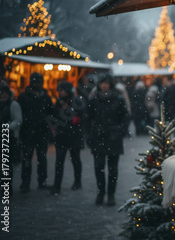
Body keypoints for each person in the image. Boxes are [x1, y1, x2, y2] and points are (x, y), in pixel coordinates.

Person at [86, 74, 129, 206]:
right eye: (102, 83)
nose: (104, 86)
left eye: (106, 83)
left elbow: (125, 117)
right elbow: (88, 118)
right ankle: (101, 192)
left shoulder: (119, 99)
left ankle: (111, 194)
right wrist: (89, 135)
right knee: (99, 167)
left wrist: (120, 130)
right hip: (98, 137)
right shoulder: (94, 100)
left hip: (113, 137)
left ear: (110, 84)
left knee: (113, 169)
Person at [17, 72, 53, 192]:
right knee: (28, 158)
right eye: (36, 82)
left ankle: (41, 181)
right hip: (28, 131)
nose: (38, 84)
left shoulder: (45, 98)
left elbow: (51, 113)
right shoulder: (24, 97)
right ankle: (26, 182)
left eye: (39, 82)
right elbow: (19, 114)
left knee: (41, 158)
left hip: (40, 132)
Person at [49, 82, 85, 195]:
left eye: (62, 90)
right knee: (59, 161)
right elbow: (55, 116)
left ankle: (77, 181)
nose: (60, 93)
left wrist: (72, 120)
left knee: (75, 160)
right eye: (59, 90)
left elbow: (80, 118)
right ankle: (57, 185)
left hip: (74, 136)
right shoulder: (59, 102)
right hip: (62, 136)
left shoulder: (76, 101)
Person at [0, 85, 22, 194]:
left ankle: (6, 187)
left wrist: (7, 127)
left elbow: (18, 120)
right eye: (2, 93)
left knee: (5, 162)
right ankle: (2, 185)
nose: (3, 95)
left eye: (5, 93)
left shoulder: (13, 104)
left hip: (7, 136)